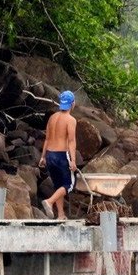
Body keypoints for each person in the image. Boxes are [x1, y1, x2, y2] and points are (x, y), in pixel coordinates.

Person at [38, 90, 77, 220]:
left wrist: (43, 157)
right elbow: (71, 141)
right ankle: (49, 201)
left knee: (58, 185)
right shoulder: (70, 120)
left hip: (49, 154)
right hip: (61, 155)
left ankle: (60, 215)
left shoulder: (52, 118)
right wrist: (73, 160)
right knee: (69, 184)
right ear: (73, 104)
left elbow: (47, 139)